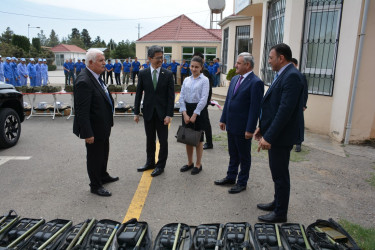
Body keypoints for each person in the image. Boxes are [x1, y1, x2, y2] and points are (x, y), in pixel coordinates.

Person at [254, 43, 304, 223]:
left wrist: (269, 136)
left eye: (270, 58)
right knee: (277, 172)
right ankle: (277, 202)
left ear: (281, 58)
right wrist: (263, 128)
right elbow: (273, 107)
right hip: (276, 133)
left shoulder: (291, 76)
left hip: (281, 137)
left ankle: (280, 213)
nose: (269, 61)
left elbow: (284, 111)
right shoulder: (283, 74)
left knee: (281, 174)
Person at [215, 53, 264, 194]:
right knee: (233, 153)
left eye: (238, 63)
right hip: (231, 124)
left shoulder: (256, 83)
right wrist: (223, 119)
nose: (235, 65)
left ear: (247, 65)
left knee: (244, 156)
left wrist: (250, 129)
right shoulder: (235, 78)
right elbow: (228, 101)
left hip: (243, 128)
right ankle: (230, 177)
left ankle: (242, 182)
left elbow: (255, 109)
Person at [73, 48, 119, 197]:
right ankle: (95, 185)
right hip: (94, 129)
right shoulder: (84, 81)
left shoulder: (97, 76)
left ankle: (103, 175)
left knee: (103, 152)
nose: (104, 63)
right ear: (91, 62)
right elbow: (81, 111)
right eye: (101, 60)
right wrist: (87, 132)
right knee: (94, 156)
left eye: (104, 60)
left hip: (103, 125)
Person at [134, 45, 175, 177]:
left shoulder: (168, 74)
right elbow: (139, 93)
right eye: (158, 58)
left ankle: (160, 165)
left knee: (163, 140)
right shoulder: (143, 73)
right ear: (150, 58)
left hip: (163, 114)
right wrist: (136, 112)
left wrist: (169, 114)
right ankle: (150, 162)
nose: (161, 60)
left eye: (162, 58)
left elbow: (171, 97)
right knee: (150, 139)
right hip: (148, 112)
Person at [178, 56, 209, 175]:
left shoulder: (204, 80)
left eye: (196, 67)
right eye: (192, 66)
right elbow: (181, 96)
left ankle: (198, 164)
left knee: (198, 139)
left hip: (199, 111)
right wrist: (184, 113)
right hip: (187, 109)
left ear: (201, 67)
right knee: (187, 138)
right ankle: (189, 162)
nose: (194, 69)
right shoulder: (186, 80)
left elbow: (204, 98)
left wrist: (195, 114)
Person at [291, 58, 308, 152]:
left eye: (292, 64)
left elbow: (305, 92)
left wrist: (304, 104)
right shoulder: (286, 75)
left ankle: (298, 143)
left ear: (296, 65)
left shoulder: (301, 76)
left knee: (299, 123)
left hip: (299, 104)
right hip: (289, 104)